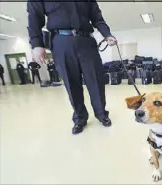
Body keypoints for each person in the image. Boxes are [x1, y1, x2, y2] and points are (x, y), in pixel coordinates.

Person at [27, 2, 117, 134]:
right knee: (71, 84)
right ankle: (80, 118)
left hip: (87, 42)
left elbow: (97, 17)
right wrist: (36, 44)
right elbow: (35, 17)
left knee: (96, 81)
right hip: (61, 42)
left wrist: (107, 35)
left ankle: (102, 114)